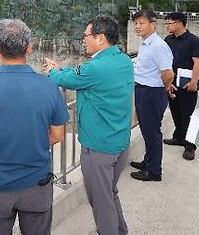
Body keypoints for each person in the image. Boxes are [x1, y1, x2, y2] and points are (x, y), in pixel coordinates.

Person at [0, 19, 69, 235]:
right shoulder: (49, 86)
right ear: (29, 48)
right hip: (37, 184)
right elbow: (58, 135)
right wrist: (33, 143)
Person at [43, 16, 134, 235]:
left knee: (101, 203)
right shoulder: (122, 60)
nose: (83, 39)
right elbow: (79, 76)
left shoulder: (97, 67)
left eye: (86, 35)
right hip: (119, 142)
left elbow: (69, 79)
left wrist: (51, 71)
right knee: (109, 193)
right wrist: (61, 71)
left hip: (99, 148)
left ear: (100, 38)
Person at [129, 10, 175, 181]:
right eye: (136, 23)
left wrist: (165, 87)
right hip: (144, 89)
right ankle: (148, 162)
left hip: (152, 93)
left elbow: (168, 74)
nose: (138, 26)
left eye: (142, 23)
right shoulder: (145, 42)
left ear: (153, 25)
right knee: (147, 130)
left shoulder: (158, 46)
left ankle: (154, 171)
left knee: (152, 132)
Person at [163, 12, 199, 161]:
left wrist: (194, 81)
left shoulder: (193, 41)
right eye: (166, 23)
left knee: (187, 114)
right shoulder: (168, 39)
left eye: (170, 23)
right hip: (172, 83)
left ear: (180, 23)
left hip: (187, 84)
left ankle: (190, 145)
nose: (167, 26)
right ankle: (179, 136)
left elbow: (198, 62)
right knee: (175, 111)